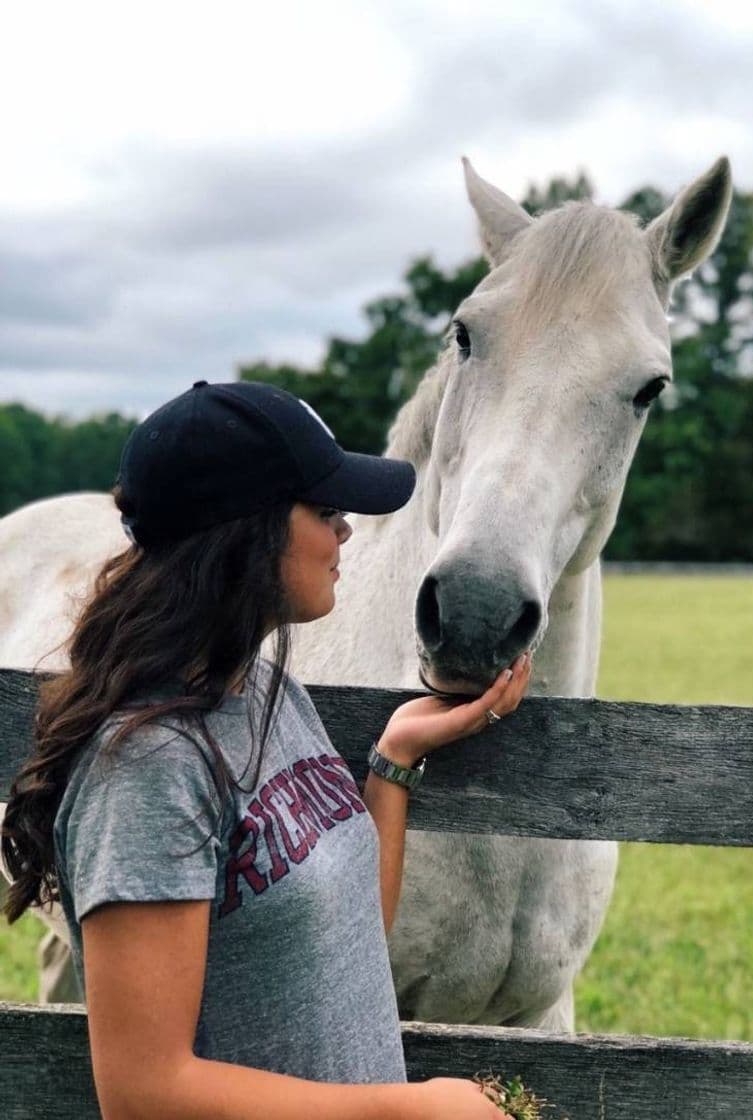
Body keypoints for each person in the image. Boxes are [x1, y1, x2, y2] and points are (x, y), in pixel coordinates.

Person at [2, 379, 532, 1119]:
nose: (346, 530)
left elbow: (340, 944)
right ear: (244, 531)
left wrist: (392, 763)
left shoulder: (267, 691)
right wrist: (405, 1111)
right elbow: (143, 1091)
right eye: (324, 510)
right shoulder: (149, 770)